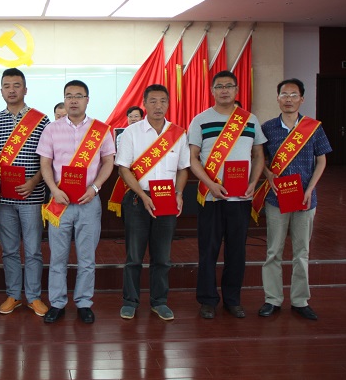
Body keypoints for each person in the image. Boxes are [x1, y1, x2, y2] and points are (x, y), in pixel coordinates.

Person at [188, 70, 265, 319]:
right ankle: (207, 300)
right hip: (211, 197)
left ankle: (232, 299)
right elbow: (192, 158)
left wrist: (254, 182)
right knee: (208, 250)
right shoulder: (200, 120)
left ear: (236, 90)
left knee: (237, 252)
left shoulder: (250, 119)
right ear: (212, 91)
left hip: (240, 198)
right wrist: (210, 184)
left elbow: (258, 155)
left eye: (229, 86)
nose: (224, 90)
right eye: (219, 86)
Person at [37, 80, 115, 324]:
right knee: (57, 257)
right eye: (69, 95)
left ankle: (83, 303)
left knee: (87, 258)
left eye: (78, 96)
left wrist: (95, 187)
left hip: (89, 202)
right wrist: (53, 189)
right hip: (60, 202)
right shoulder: (51, 129)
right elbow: (45, 163)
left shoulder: (100, 130)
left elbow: (109, 162)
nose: (73, 100)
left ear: (87, 100)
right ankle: (57, 303)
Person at [256, 79, 331, 320]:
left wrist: (310, 189)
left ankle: (300, 300)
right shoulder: (268, 128)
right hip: (276, 198)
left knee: (302, 252)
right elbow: (260, 159)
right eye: (284, 94)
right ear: (277, 98)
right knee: (273, 251)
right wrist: (268, 175)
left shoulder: (313, 127)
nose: (289, 99)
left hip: (305, 199)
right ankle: (272, 299)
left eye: (293, 94)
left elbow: (322, 160)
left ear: (302, 99)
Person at [115, 85, 189, 321]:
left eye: (163, 101)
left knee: (162, 257)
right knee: (134, 256)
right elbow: (123, 169)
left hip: (167, 199)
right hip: (138, 199)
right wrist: (143, 195)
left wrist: (179, 193)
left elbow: (183, 168)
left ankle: (159, 301)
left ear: (168, 104)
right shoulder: (131, 133)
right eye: (153, 101)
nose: (158, 106)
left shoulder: (178, 134)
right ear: (145, 104)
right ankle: (130, 301)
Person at [0, 68, 51, 317]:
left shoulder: (41, 121)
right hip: (3, 200)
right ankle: (13, 294)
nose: (11, 90)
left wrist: (34, 181)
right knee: (9, 250)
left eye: (16, 85)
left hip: (32, 197)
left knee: (33, 250)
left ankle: (33, 297)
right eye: (7, 86)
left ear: (25, 89)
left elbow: (49, 158)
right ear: (1, 90)